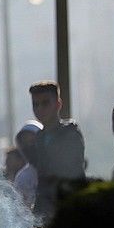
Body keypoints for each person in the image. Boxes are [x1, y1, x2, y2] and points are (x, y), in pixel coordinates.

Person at [27, 82, 85, 219]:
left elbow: (69, 173)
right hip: (46, 207)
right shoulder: (40, 137)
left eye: (45, 103)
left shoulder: (70, 134)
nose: (40, 109)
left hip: (68, 206)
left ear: (58, 104)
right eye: (35, 104)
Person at [12, 120, 42, 209]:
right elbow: (23, 211)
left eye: (33, 141)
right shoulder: (23, 177)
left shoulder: (58, 167)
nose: (30, 146)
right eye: (25, 143)